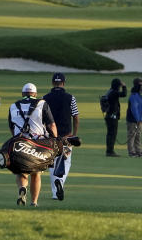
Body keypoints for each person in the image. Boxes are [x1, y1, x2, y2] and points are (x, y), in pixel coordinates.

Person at [9, 82, 57, 207]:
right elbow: (51, 125)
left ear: (22, 94)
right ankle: (34, 202)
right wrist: (55, 141)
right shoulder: (42, 104)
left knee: (21, 171)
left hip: (19, 143)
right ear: (35, 94)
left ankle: (22, 188)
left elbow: (11, 127)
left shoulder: (13, 106)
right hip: (37, 143)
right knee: (36, 173)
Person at [41, 72, 79, 201]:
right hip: (67, 137)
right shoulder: (70, 97)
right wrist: (74, 134)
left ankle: (54, 193)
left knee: (52, 163)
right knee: (66, 162)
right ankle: (60, 183)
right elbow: (76, 116)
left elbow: (40, 118)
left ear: (53, 83)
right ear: (63, 83)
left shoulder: (44, 98)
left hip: (50, 137)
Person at [125, 77, 142, 157]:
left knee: (138, 136)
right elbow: (134, 109)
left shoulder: (140, 95)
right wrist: (138, 119)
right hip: (133, 120)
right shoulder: (134, 96)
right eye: (141, 84)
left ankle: (138, 151)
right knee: (132, 136)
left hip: (139, 119)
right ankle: (131, 152)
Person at [103, 78, 127, 157]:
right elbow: (124, 94)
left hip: (109, 116)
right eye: (119, 85)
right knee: (112, 134)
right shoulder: (114, 92)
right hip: (112, 117)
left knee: (110, 134)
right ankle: (110, 151)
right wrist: (124, 86)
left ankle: (109, 150)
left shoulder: (110, 91)